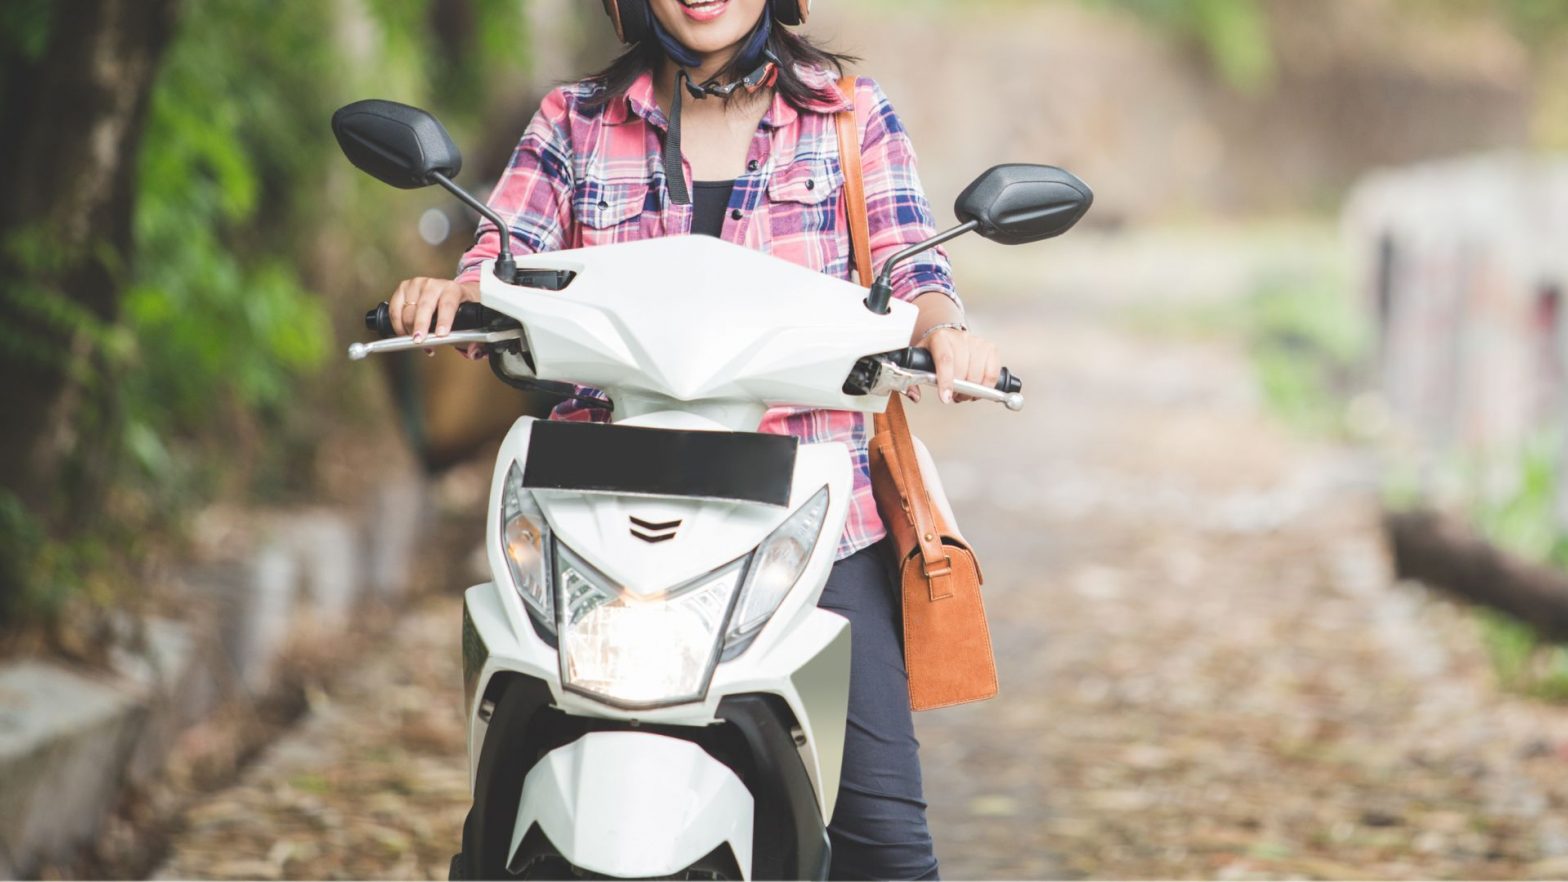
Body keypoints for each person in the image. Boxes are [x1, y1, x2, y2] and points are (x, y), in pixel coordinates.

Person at [388, 1, 1002, 877]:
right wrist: (452, 295)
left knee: (889, 850)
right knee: (498, 816)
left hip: (804, 520)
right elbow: (502, 260)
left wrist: (946, 335)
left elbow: (916, 270)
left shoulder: (848, 117)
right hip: (598, 517)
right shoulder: (575, 120)